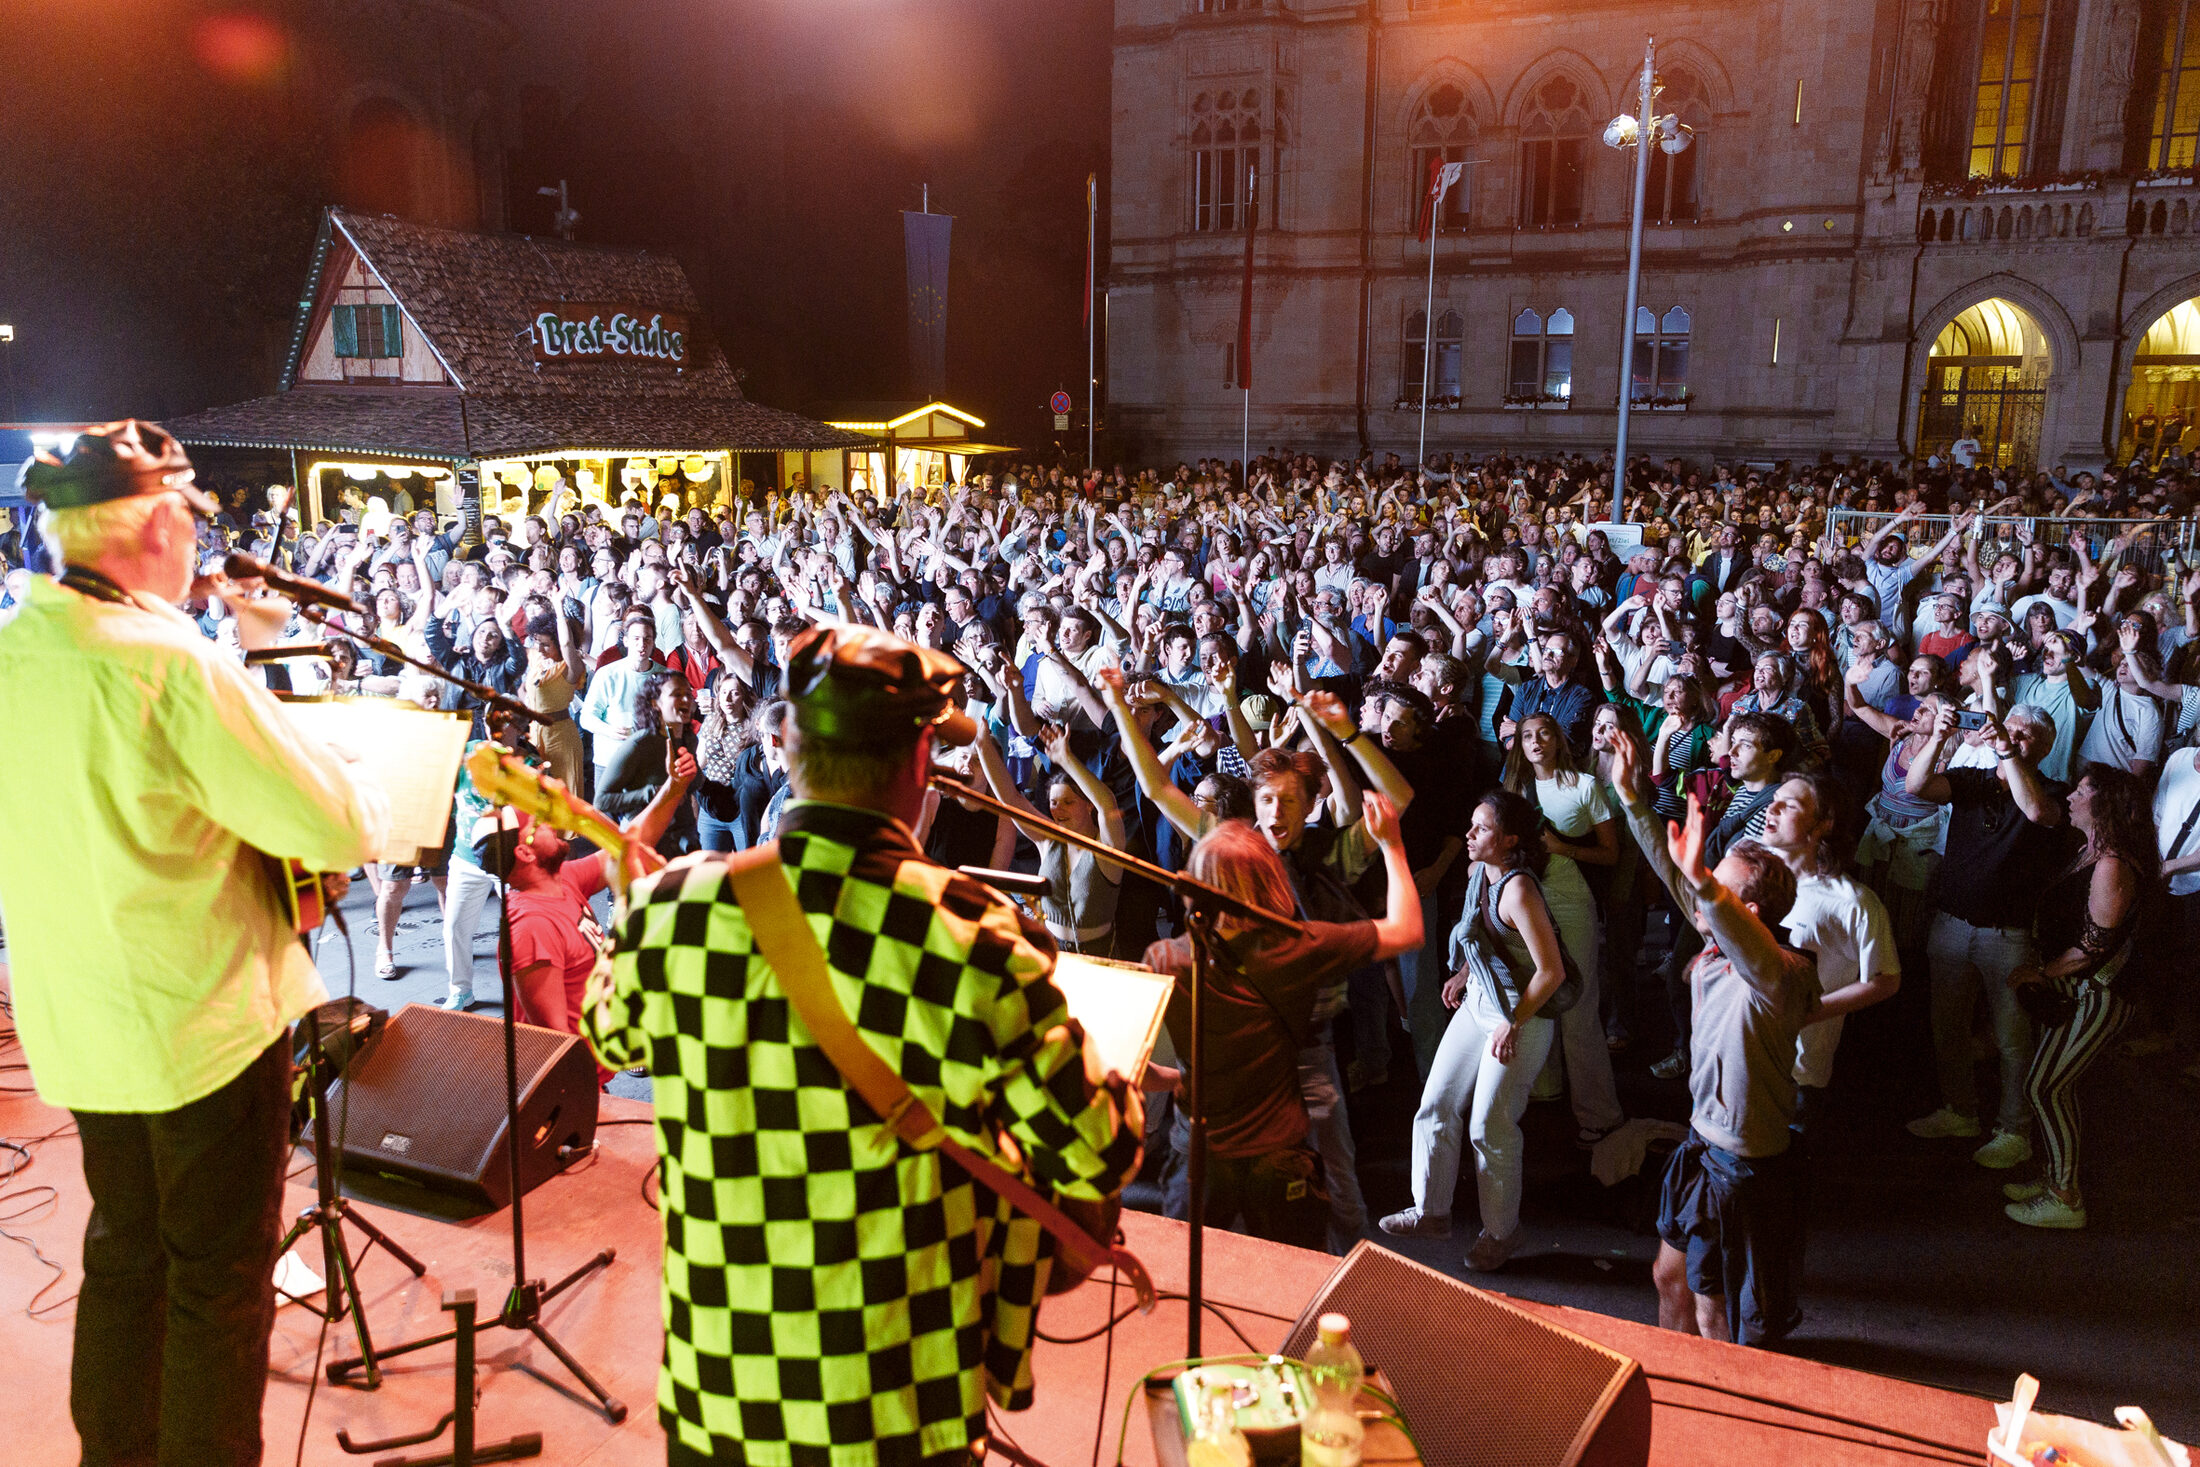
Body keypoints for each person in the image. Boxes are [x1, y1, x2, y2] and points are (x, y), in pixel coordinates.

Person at [581, 626, 1142, 1467]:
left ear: (790, 752)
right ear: (921, 765)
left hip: (720, 1391)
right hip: (901, 1401)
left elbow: (610, 1029)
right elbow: (1102, 1145)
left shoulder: (673, 906)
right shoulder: (967, 930)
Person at [0, 423, 391, 1465]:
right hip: (198, 1023)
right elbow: (338, 824)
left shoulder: (14, 646)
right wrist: (258, 661)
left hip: (79, 1023)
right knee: (217, 1286)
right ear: (160, 523)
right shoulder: (169, 665)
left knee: (126, 1256)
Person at [1143, 799, 1422, 1247]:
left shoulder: (1168, 960)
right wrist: (1393, 844)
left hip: (1199, 1151)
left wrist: (1187, 1076)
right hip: (1279, 1151)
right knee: (1292, 1282)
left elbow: (1136, 1067)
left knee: (1186, 1286)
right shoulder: (1299, 947)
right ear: (1267, 881)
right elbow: (1407, 930)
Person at [1615, 788, 1818, 1347]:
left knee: (1716, 1316)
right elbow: (1676, 872)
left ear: (1747, 914)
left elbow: (1714, 907)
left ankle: (1720, 1407)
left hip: (1741, 1166)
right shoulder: (1717, 942)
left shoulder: (1781, 974)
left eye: (1716, 888)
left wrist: (1705, 882)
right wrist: (1633, 799)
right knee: (1667, 1277)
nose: (1698, 896)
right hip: (1700, 1147)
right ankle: (1678, 1382)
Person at [1380, 790, 1575, 1270]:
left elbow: (1551, 972)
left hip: (1520, 1016)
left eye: (1481, 829)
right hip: (1480, 1003)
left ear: (1509, 840)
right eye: (1471, 825)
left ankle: (1502, 1232)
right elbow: (1484, 937)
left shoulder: (1519, 891)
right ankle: (1431, 1212)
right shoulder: (1477, 876)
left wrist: (1512, 1022)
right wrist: (1465, 974)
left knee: (1490, 1125)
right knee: (1435, 1105)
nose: (1468, 835)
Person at [1903, 693, 2074, 1170]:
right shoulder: (1974, 782)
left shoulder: (2055, 792)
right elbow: (1916, 786)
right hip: (1952, 923)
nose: (2012, 738)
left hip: (2009, 934)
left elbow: (2037, 813)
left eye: (2023, 736)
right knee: (1948, 1028)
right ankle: (1960, 1111)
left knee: (2011, 1039)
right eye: (2008, 728)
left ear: (2042, 749)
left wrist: (2004, 750)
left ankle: (2013, 1130)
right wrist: (1938, 737)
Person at [2000, 766, 2154, 1229]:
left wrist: (2040, 972)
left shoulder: (2112, 865)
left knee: (2044, 1087)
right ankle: (2054, 1179)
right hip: (2082, 991)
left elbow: (2094, 946)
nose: (2070, 797)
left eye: (2081, 791)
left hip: (2100, 993)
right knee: (2047, 1085)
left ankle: (2065, 1197)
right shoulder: (2090, 851)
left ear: (2103, 804)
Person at [1501, 713, 1627, 1146]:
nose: (1535, 742)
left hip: (1571, 903)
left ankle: (1599, 1113)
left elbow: (1610, 855)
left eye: (1543, 734)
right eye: (1526, 737)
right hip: (1525, 906)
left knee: (1579, 1007)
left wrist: (1563, 848)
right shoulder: (1514, 792)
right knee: (1535, 999)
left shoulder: (1585, 786)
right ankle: (1545, 1088)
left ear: (1558, 740)